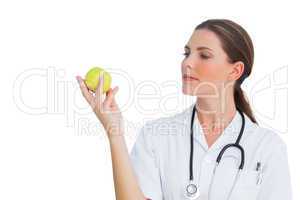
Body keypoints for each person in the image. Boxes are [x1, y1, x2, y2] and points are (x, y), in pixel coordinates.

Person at [76, 19, 293, 200]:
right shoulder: (155, 136)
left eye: (204, 55)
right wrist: (115, 133)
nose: (187, 63)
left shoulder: (268, 147)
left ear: (235, 70)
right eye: (186, 53)